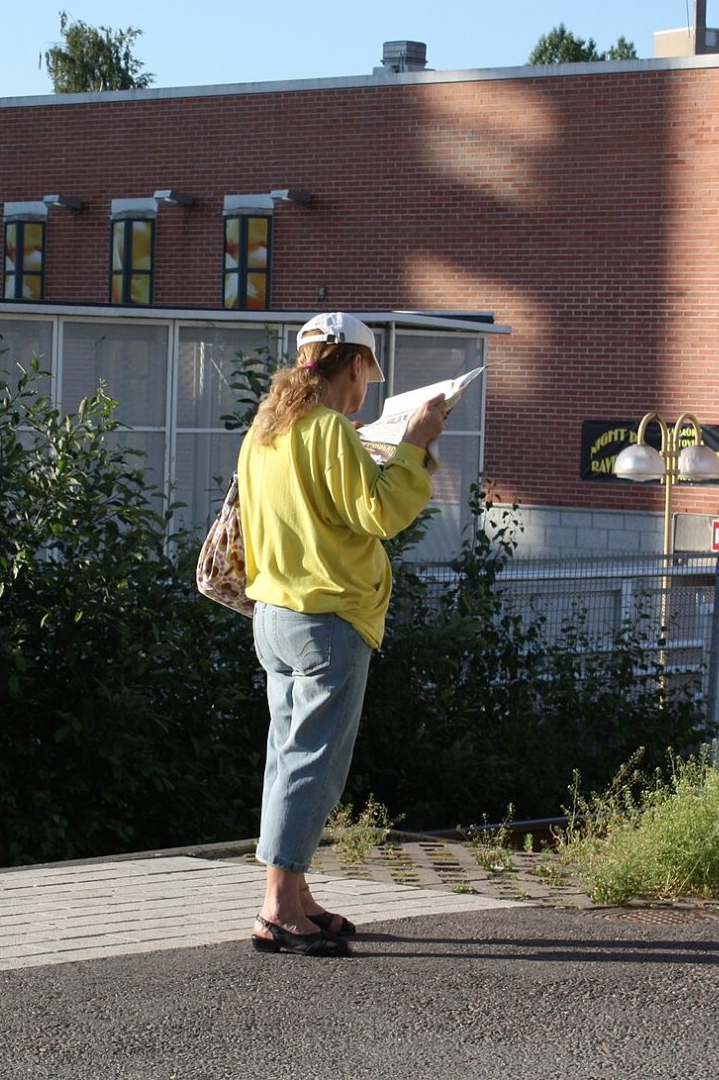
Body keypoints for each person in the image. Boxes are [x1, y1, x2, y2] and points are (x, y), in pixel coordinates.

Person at [238, 311, 447, 957]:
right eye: (367, 374)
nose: (368, 389)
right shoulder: (328, 430)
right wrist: (414, 445)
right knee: (314, 760)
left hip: (274, 612)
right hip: (328, 618)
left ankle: (294, 893)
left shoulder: (269, 428)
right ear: (353, 364)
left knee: (286, 754)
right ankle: (277, 906)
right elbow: (380, 512)